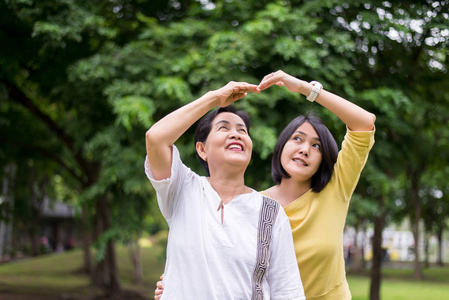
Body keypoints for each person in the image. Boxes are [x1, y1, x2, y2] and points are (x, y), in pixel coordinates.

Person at [154, 70, 375, 300]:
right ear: (281, 147)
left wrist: (304, 88)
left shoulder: (335, 191)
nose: (304, 149)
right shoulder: (256, 208)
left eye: (316, 145)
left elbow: (364, 124)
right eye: (297, 139)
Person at [145, 80, 306, 299]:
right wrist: (214, 98)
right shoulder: (182, 188)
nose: (236, 134)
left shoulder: (271, 212)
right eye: (224, 128)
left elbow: (288, 291)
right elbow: (155, 138)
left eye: (242, 131)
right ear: (202, 149)